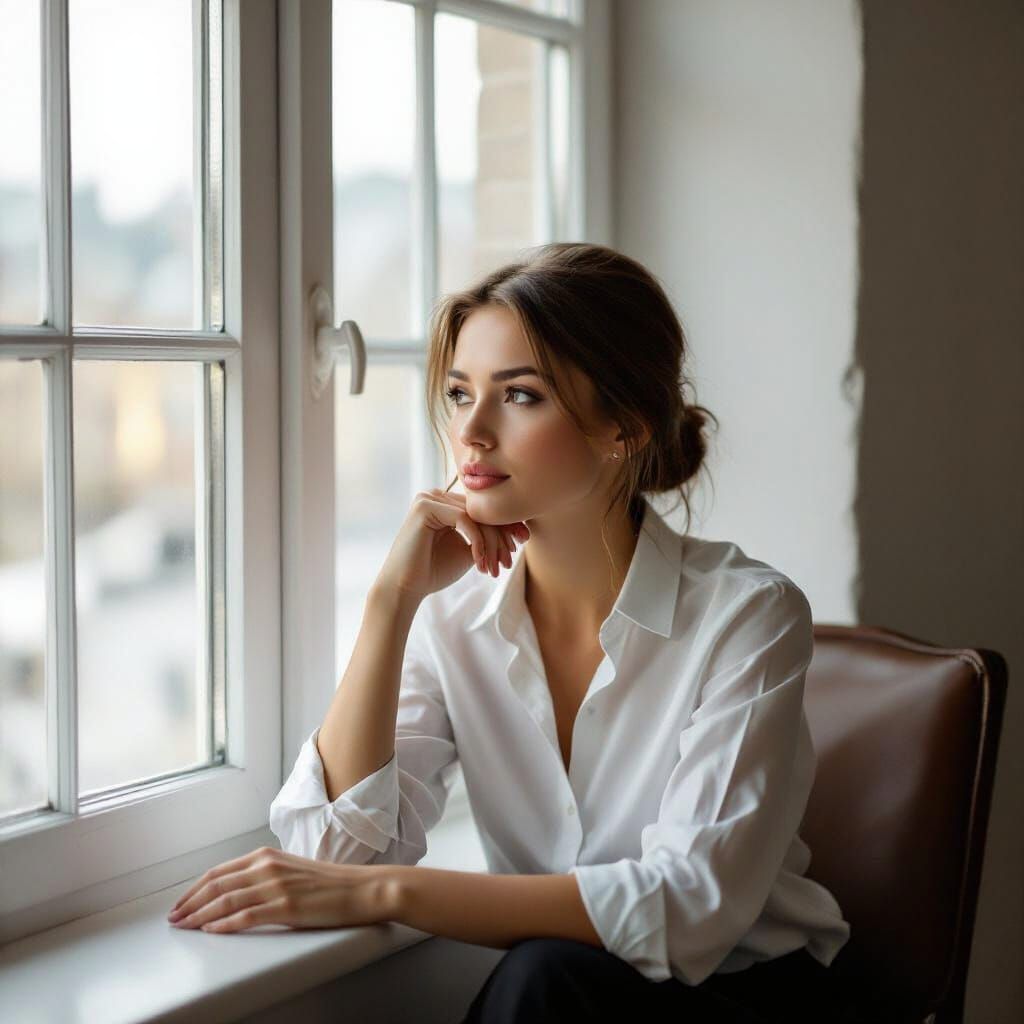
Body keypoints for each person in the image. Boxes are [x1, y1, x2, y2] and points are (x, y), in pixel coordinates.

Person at [167, 242, 864, 1022]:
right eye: (461, 394)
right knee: (547, 976)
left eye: (521, 396)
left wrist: (390, 890)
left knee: (544, 978)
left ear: (622, 429)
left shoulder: (749, 616)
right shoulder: (449, 616)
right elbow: (329, 856)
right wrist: (391, 601)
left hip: (745, 994)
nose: (472, 431)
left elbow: (688, 906)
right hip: (567, 993)